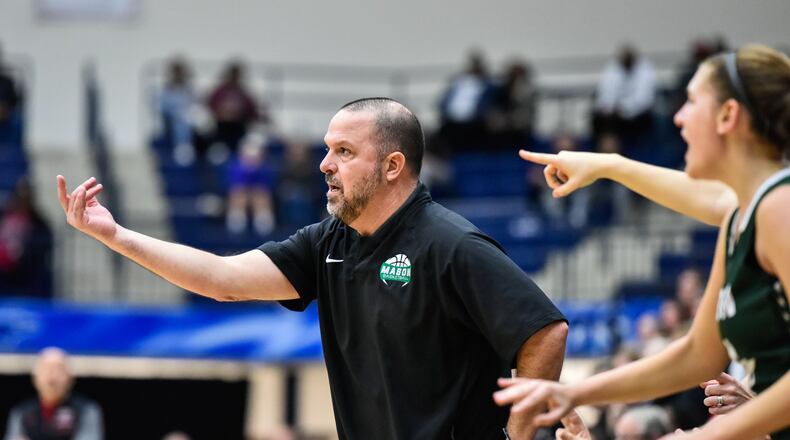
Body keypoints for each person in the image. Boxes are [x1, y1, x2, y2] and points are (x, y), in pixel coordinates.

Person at [57, 97, 569, 439]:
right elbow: (221, 280)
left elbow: (544, 329)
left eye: (344, 152)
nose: (325, 164)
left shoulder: (452, 244)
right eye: (327, 149)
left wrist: (521, 432)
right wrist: (116, 236)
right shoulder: (331, 240)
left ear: (392, 166)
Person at [496, 44, 790, 439]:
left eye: (690, 101)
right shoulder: (742, 217)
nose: (678, 117)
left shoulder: (779, 207)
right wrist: (574, 393)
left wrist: (708, 436)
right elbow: (697, 354)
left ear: (727, 115)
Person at [4, 348, 104, 440]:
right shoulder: (22, 412)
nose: (52, 377)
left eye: (58, 369)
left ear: (70, 378)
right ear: (35, 378)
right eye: (46, 369)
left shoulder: (86, 410)